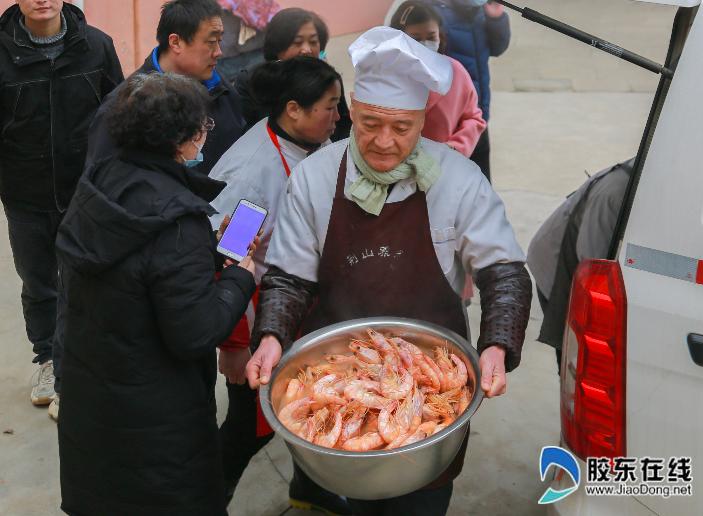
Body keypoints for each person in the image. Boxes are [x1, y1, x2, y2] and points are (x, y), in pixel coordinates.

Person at [245, 27, 532, 516]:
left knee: (422, 500)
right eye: (371, 122)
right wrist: (271, 335)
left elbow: (504, 270)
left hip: (432, 363)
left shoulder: (460, 180)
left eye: (402, 128)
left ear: (424, 119)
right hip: (339, 359)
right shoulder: (314, 178)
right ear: (352, 111)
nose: (383, 141)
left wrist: (497, 344)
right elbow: (289, 278)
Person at [56, 72, 257, 516]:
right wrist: (240, 275)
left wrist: (206, 255)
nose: (206, 136)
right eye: (203, 128)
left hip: (96, 399)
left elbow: (136, 274)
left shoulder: (98, 184)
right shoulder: (177, 223)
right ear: (181, 140)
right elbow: (195, 333)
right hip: (158, 424)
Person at [209, 56, 349, 513]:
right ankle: (204, 499)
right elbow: (229, 259)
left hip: (303, 309)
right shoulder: (255, 176)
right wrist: (234, 343)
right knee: (249, 426)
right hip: (255, 320)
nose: (338, 116)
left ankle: (312, 489)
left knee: (314, 403)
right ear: (293, 110)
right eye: (329, 107)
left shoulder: (308, 145)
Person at [0, 0, 123, 416]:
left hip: (85, 191)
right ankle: (49, 361)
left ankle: (85, 363)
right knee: (39, 283)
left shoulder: (96, 45)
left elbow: (117, 118)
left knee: (90, 277)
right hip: (23, 194)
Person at [85, 0, 246, 176]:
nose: (218, 51)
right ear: (175, 42)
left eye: (220, 41)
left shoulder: (220, 89)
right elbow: (105, 179)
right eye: (211, 41)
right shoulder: (126, 106)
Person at [528, 158, 635, 374]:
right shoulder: (613, 194)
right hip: (557, 264)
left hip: (581, 252)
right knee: (575, 359)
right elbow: (593, 264)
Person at [422, 0, 511, 181]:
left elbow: (497, 47)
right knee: (451, 182)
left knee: (480, 182)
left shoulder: (477, 9)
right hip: (449, 120)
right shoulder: (429, 12)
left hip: (478, 114)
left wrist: (496, 19)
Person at [235, 7, 353, 142]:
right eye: (297, 43)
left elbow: (342, 127)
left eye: (313, 42)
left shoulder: (329, 79)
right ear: (277, 46)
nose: (307, 50)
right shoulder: (252, 81)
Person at [390, 1, 486, 157]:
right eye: (416, 38)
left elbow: (473, 118)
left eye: (431, 36)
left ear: (439, 35)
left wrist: (453, 149)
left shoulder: (455, 72)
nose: (425, 44)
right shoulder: (386, 74)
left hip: (445, 165)